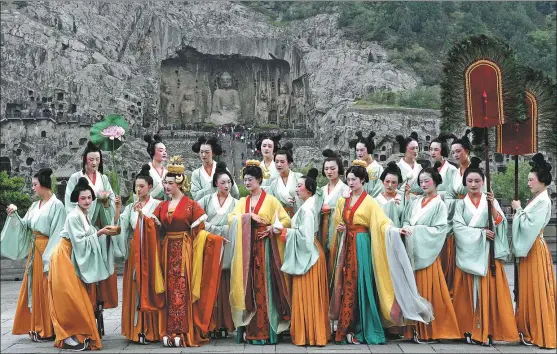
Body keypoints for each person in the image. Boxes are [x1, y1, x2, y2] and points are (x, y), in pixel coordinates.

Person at [329, 160, 433, 345]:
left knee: (360, 283)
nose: (351, 183)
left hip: (361, 245)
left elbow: (382, 223)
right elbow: (337, 222)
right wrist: (339, 227)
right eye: (349, 179)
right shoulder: (342, 201)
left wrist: (395, 230)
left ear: (362, 181)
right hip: (346, 244)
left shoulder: (369, 202)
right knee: (345, 284)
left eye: (354, 179)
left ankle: (360, 327)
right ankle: (344, 327)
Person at [141, 156, 226, 347]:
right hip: (166, 251)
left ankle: (183, 329)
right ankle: (169, 330)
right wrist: (142, 219)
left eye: (170, 183)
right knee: (169, 289)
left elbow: (200, 232)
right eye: (165, 183)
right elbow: (154, 229)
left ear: (179, 183)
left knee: (182, 287)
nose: (166, 186)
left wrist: (215, 240)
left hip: (184, 250)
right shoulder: (162, 206)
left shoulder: (191, 205)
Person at [452, 157, 519, 346]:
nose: (473, 184)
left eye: (477, 181)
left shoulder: (491, 200)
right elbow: (458, 227)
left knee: (490, 291)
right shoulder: (460, 204)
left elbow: (500, 223)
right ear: (465, 183)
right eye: (470, 181)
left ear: (483, 182)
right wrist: (480, 234)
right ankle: (468, 328)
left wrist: (492, 207)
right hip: (469, 253)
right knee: (466, 293)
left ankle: (488, 329)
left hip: (488, 253)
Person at [49, 177, 120, 350]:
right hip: (65, 255)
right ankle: (68, 335)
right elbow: (80, 242)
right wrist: (101, 232)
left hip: (72, 254)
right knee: (72, 297)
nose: (87, 201)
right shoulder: (74, 216)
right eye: (83, 198)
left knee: (80, 297)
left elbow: (87, 238)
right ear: (76, 199)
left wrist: (111, 219)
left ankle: (79, 332)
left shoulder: (85, 215)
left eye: (89, 197)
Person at [228, 160, 292, 345]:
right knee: (248, 285)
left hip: (265, 248)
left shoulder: (271, 200)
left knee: (265, 286)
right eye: (245, 180)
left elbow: (285, 220)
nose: (246, 183)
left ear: (258, 180)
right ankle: (250, 329)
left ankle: (267, 330)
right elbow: (231, 219)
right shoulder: (243, 202)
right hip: (247, 249)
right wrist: (247, 216)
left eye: (250, 180)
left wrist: (272, 228)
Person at [1, 168, 65, 342]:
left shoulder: (57, 205)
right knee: (33, 288)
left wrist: (48, 257)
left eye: (35, 184)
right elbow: (25, 225)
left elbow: (58, 233)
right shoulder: (34, 205)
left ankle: (48, 328)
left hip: (46, 249)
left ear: (44, 184)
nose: (33, 188)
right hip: (34, 249)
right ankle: (37, 326)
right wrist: (14, 213)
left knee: (45, 287)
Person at [401, 164, 460, 343]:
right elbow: (406, 218)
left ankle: (430, 330)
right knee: (414, 288)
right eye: (421, 181)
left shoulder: (439, 205)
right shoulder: (415, 201)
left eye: (427, 181)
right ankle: (414, 330)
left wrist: (415, 230)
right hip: (413, 250)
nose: (424, 184)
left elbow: (440, 229)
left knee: (428, 290)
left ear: (435, 182)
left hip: (427, 253)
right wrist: (405, 227)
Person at [64, 141, 119, 331]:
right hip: (83, 230)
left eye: (97, 159)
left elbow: (110, 202)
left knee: (102, 277)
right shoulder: (75, 178)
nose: (94, 162)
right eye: (91, 159)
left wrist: (108, 204)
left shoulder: (104, 178)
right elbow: (70, 206)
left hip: (100, 230)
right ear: (84, 160)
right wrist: (89, 214)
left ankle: (100, 307)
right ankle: (85, 313)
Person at [113, 164, 163, 344]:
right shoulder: (131, 207)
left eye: (142, 186)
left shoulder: (158, 205)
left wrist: (144, 216)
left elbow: (160, 227)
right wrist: (118, 209)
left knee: (148, 287)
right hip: (135, 251)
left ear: (150, 187)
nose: (138, 189)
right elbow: (122, 228)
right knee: (135, 286)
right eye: (136, 186)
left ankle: (150, 330)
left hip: (150, 251)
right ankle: (136, 329)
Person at [280, 169, 329, 346]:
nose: (296, 189)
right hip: (311, 252)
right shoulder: (309, 205)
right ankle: (313, 334)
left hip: (309, 255)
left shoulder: (307, 209)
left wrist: (285, 232)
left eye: (299, 186)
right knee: (309, 296)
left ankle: (309, 335)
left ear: (308, 188)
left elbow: (305, 237)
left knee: (308, 296)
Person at [511, 153, 556, 349]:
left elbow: (530, 226)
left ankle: (537, 329)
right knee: (529, 288)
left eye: (531, 180)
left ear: (542, 181)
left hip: (534, 246)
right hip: (533, 246)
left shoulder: (543, 201)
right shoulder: (539, 198)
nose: (528, 183)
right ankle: (528, 326)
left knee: (536, 288)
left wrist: (519, 210)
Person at [197, 162, 238, 339]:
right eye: (223, 182)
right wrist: (213, 229)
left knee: (225, 283)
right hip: (210, 243)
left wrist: (222, 229)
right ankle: (210, 322)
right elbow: (197, 220)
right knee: (209, 281)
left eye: (229, 182)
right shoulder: (206, 200)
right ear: (216, 184)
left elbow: (238, 223)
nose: (227, 186)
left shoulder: (236, 203)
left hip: (228, 245)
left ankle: (225, 323)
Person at [443, 130, 479, 296]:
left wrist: (462, 201)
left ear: (467, 151)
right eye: (453, 152)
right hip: (456, 215)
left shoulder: (476, 170)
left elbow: (481, 193)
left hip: (472, 215)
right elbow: (449, 195)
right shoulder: (455, 173)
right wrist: (457, 202)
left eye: (458, 151)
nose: (455, 155)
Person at [319, 149, 350, 260]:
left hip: (337, 227)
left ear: (339, 169)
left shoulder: (345, 189)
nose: (329, 172)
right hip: (322, 226)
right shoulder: (321, 190)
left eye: (333, 168)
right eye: (326, 169)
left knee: (336, 258)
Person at [190, 136, 239, 201]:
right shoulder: (196, 173)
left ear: (213, 153)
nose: (203, 155)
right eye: (201, 152)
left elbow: (235, 192)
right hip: (204, 209)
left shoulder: (222, 169)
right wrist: (212, 185)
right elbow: (195, 196)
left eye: (207, 152)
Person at [265, 142, 303, 218]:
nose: (279, 164)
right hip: (281, 218)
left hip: (298, 216)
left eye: (282, 162)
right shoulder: (273, 183)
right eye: (276, 162)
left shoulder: (299, 178)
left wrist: (297, 199)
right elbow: (270, 203)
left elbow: (309, 196)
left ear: (289, 163)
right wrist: (281, 204)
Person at [348, 131, 383, 197]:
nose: (359, 153)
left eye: (362, 150)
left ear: (369, 149)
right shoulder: (354, 168)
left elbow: (380, 189)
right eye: (357, 150)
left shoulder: (378, 168)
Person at [375, 162, 409, 228]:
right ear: (382, 181)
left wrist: (407, 199)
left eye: (393, 182)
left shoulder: (403, 198)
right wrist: (390, 203)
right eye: (387, 181)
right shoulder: (376, 200)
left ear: (398, 183)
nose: (390, 185)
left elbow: (406, 218)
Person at [429, 133, 457, 200]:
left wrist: (435, 195)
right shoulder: (428, 170)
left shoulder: (452, 169)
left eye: (436, 150)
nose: (432, 152)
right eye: (431, 149)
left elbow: (455, 193)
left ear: (443, 151)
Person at [143, 133, 168, 200]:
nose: (164, 153)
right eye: (160, 150)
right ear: (152, 152)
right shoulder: (146, 171)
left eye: (165, 150)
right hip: (150, 208)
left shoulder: (167, 172)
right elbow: (139, 193)